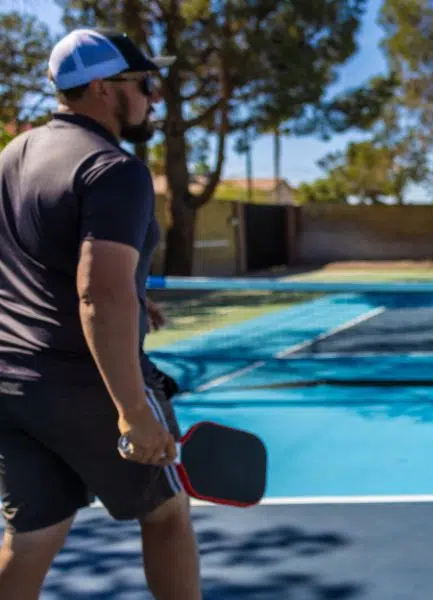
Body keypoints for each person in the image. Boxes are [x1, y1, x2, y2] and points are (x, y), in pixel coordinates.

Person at [0, 29, 201, 598]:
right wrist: (134, 410)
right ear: (102, 89)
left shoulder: (13, 156)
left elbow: (40, 256)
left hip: (11, 385)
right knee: (165, 514)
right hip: (84, 384)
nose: (153, 98)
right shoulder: (114, 168)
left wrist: (136, 296)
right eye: (144, 84)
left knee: (32, 537)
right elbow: (98, 294)